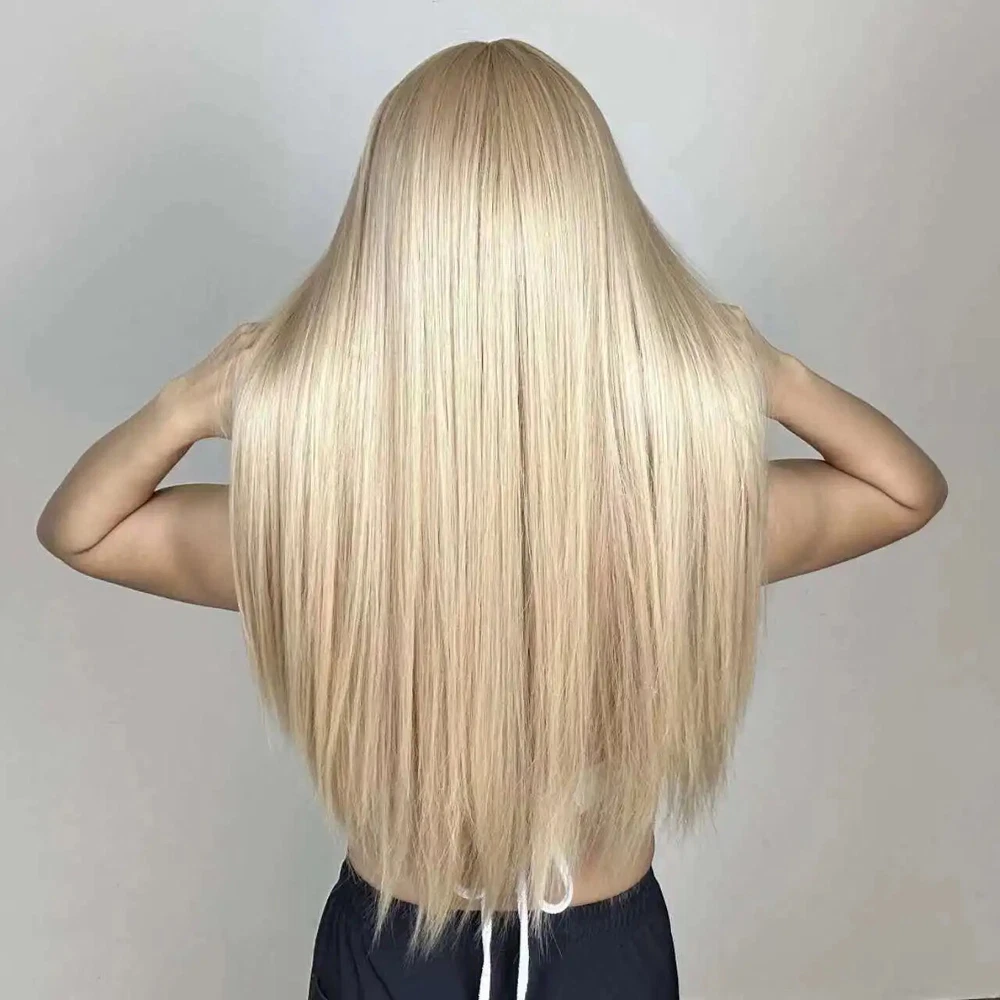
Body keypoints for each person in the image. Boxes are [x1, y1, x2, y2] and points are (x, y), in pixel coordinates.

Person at [36, 38, 947, 1000]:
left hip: (390, 955)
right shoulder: (676, 529)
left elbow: (85, 527)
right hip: (601, 959)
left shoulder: (323, 536)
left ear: (386, 250)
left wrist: (191, 401)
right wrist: (767, 371)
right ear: (597, 243)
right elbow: (903, 488)